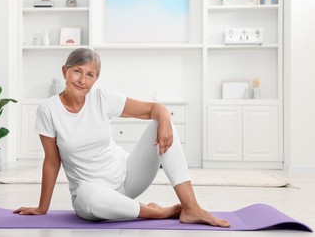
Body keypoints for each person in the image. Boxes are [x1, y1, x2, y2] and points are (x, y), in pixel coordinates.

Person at [14, 48, 230, 227]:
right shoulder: (48, 110)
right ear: (65, 71)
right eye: (77, 71)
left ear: (96, 79)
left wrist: (164, 117)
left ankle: (191, 207)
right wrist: (42, 208)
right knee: (87, 194)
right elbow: (52, 161)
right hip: (93, 196)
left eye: (90, 75)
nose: (82, 80)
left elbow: (155, 109)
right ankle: (160, 213)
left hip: (128, 178)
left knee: (162, 122)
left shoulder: (102, 98)